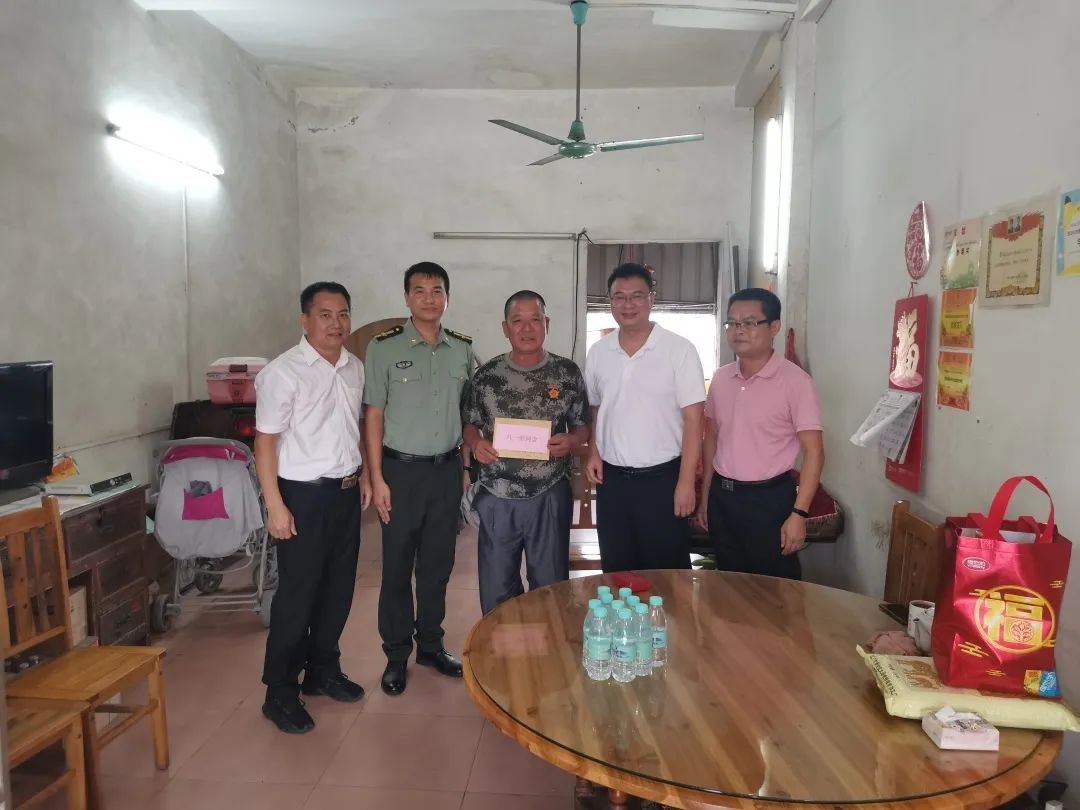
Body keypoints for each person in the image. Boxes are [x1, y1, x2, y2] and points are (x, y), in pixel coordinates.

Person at [254, 281, 372, 735]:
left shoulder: (354, 367)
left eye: (343, 314)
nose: (336, 324)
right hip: (301, 496)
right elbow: (265, 442)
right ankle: (279, 691)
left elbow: (352, 428)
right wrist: (275, 505)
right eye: (325, 315)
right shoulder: (282, 373)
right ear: (305, 320)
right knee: (298, 595)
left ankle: (322, 670)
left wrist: (363, 475)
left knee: (338, 589)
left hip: (344, 493)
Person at [363, 261, 474, 696]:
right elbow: (373, 415)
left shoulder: (462, 349)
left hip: (445, 471)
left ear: (448, 297)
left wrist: (465, 470)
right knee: (396, 568)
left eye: (437, 290)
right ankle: (396, 655)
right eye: (420, 290)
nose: (429, 298)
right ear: (407, 297)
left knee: (437, 566)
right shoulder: (383, 348)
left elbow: (467, 415)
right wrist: (377, 477)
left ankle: (430, 645)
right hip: (400, 472)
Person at [462, 290, 590, 614]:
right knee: (496, 590)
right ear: (505, 328)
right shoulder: (487, 376)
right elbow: (469, 425)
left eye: (535, 319)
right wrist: (476, 444)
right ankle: (500, 646)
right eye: (517, 321)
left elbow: (582, 427)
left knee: (550, 587)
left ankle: (549, 644)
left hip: (549, 493)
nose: (527, 328)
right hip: (497, 494)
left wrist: (572, 441)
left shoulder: (567, 373)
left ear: (547, 324)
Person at [695, 287, 824, 580]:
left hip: (769, 500)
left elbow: (814, 452)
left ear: (774, 327)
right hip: (723, 498)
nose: (738, 330)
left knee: (774, 586)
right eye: (732, 323)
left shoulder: (796, 382)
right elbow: (712, 437)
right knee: (729, 582)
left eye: (750, 322)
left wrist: (799, 514)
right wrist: (706, 497)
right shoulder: (721, 378)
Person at [584, 263, 705, 572]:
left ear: (652, 298)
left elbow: (694, 421)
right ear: (610, 302)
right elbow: (596, 409)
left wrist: (686, 483)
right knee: (617, 568)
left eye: (637, 296)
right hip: (613, 482)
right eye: (619, 297)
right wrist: (594, 451)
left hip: (663, 480)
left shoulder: (679, 350)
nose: (628, 305)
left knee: (667, 572)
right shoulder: (599, 352)